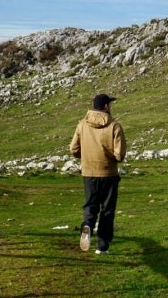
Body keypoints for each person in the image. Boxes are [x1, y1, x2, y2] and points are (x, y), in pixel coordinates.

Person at [70, 93, 126, 254]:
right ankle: (102, 246)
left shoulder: (82, 125)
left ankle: (87, 225)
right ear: (106, 106)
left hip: (88, 173)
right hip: (108, 174)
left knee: (90, 205)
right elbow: (119, 155)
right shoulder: (114, 126)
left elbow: (73, 149)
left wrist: (87, 155)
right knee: (107, 210)